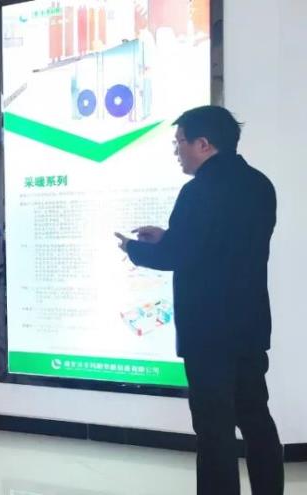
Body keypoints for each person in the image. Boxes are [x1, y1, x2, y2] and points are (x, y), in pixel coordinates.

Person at [117, 106, 282, 495]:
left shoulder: (197, 191)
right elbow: (221, 245)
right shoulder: (261, 185)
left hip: (207, 332)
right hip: (249, 325)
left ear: (204, 144)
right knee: (256, 419)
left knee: (214, 429)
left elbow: (180, 254)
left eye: (180, 142)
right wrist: (169, 237)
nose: (177, 151)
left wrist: (134, 249)